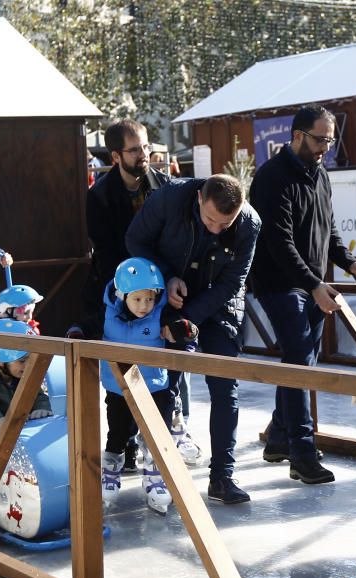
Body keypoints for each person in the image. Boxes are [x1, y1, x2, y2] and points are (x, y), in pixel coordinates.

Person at [249, 104, 356, 484]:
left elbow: (328, 230)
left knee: (299, 359)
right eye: (320, 140)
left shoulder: (320, 174)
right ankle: (302, 454)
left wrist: (350, 263)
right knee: (302, 362)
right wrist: (314, 284)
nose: (326, 148)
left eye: (330, 141)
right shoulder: (272, 178)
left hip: (311, 283)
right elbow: (278, 243)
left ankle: (279, 437)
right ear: (298, 135)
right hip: (280, 284)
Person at [126, 174, 261, 503]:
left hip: (219, 303)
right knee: (164, 386)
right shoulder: (170, 198)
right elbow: (135, 241)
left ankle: (222, 477)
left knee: (225, 387)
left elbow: (234, 282)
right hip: (170, 295)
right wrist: (166, 278)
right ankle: (161, 472)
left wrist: (189, 320)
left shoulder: (249, 223)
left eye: (225, 223)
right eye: (211, 220)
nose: (217, 229)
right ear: (200, 198)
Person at [81, 119, 181, 470]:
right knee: (121, 377)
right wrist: (125, 295)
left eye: (145, 147)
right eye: (135, 149)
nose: (144, 155)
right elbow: (106, 252)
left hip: (161, 291)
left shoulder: (163, 185)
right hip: (122, 293)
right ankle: (121, 444)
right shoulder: (100, 196)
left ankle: (164, 437)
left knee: (165, 373)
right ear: (115, 155)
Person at [100, 257, 196, 514]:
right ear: (122, 296)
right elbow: (86, 327)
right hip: (118, 389)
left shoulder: (161, 315)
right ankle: (110, 472)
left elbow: (180, 329)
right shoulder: (108, 314)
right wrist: (76, 332)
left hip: (156, 388)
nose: (144, 306)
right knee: (118, 433)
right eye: (137, 299)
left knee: (157, 436)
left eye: (150, 299)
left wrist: (184, 331)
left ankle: (155, 478)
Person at [0, 319, 53, 479]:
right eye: (22, 361)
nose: (27, 366)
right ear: (0, 361)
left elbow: (38, 395)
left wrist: (42, 408)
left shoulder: (23, 376)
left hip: (17, 434)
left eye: (29, 361)